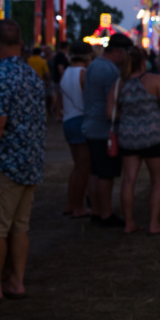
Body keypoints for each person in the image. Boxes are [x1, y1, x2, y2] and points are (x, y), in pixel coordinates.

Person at [0, 20, 45, 305]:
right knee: (18, 226)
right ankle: (15, 280)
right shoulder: (31, 75)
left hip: (2, 166)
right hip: (29, 163)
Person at [106, 46, 160, 234]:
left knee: (129, 180)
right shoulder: (154, 80)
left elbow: (109, 113)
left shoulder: (119, 84)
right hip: (153, 137)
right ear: (143, 62)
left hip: (128, 138)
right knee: (157, 180)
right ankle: (154, 224)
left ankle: (129, 223)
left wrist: (131, 114)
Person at [82, 33, 133, 227]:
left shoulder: (94, 65)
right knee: (106, 174)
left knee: (95, 171)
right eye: (126, 53)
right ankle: (105, 214)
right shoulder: (111, 71)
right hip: (105, 129)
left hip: (91, 126)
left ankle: (96, 211)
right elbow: (112, 105)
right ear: (118, 51)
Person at [61, 41, 94, 217]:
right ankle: (79, 206)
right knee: (84, 168)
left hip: (68, 120)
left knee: (77, 167)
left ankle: (70, 203)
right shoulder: (84, 73)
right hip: (81, 120)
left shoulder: (66, 72)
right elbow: (87, 99)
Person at [49, 41, 70, 122]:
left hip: (58, 79)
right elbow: (60, 68)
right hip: (60, 79)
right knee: (59, 97)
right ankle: (58, 115)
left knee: (59, 97)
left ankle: (59, 115)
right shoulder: (61, 56)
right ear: (66, 47)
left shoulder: (59, 55)